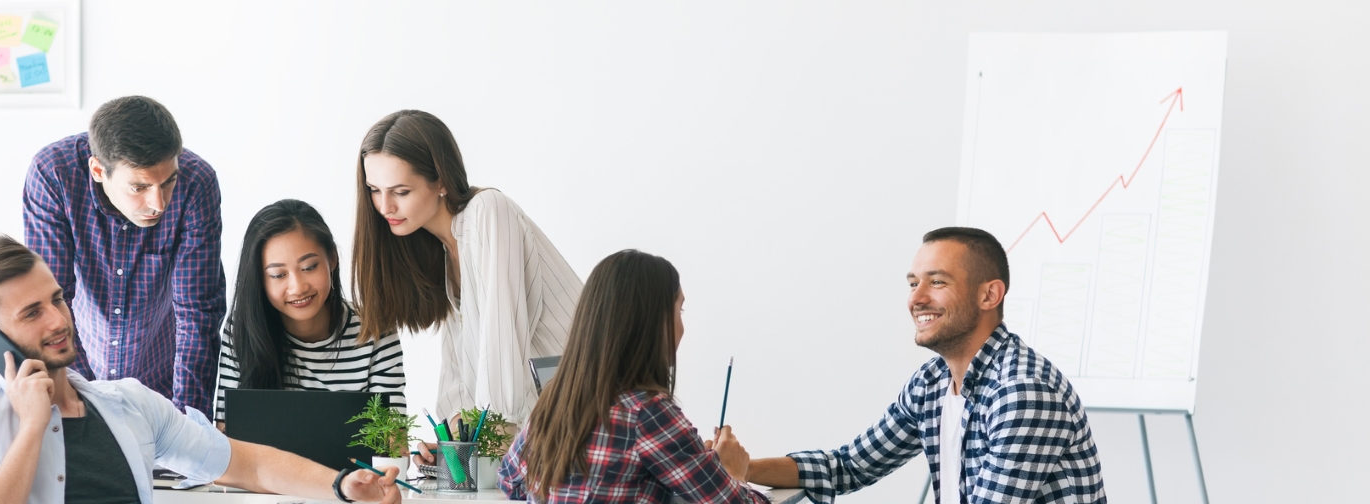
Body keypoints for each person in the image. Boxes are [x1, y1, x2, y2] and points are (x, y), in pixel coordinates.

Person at [0, 235, 402, 504]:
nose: (58, 320)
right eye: (31, 313)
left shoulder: (127, 403)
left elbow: (248, 464)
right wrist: (31, 425)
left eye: (57, 299)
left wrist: (340, 485)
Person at [745, 227, 1105, 503]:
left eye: (937, 282)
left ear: (989, 295)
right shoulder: (931, 383)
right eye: (913, 283)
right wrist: (739, 468)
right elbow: (848, 466)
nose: (916, 299)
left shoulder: (1022, 390)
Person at [352, 109, 581, 435]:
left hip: (593, 425)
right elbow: (460, 373)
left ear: (441, 181)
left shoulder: (488, 212)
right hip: (544, 438)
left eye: (400, 192)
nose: (384, 207)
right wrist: (451, 442)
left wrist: (487, 438)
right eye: (375, 190)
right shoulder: (442, 253)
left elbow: (502, 345)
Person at [498, 249, 769, 503]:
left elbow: (509, 482)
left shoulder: (553, 403)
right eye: (680, 310)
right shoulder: (647, 413)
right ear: (655, 323)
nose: (682, 326)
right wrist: (733, 473)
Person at [23, 96, 225, 417]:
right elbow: (51, 303)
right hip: (77, 375)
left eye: (168, 181)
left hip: (162, 387)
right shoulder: (54, 174)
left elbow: (198, 314)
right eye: (139, 187)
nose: (158, 203)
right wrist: (85, 403)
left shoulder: (197, 183)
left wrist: (189, 424)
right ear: (99, 170)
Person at [214, 199, 405, 426]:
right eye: (278, 275)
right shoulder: (242, 329)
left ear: (332, 259)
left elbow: (392, 441)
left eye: (309, 267)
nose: (298, 287)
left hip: (355, 464)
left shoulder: (376, 329)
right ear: (259, 279)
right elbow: (227, 435)